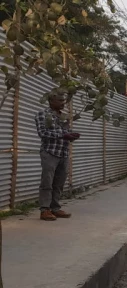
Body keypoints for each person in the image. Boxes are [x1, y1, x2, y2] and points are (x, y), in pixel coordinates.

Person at [35, 92, 80, 221]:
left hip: (63, 153)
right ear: (51, 101)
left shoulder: (64, 117)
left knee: (59, 183)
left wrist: (72, 135)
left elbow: (65, 133)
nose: (63, 103)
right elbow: (43, 133)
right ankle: (44, 210)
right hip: (50, 152)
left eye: (63, 100)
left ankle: (55, 208)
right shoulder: (42, 114)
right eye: (60, 100)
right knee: (47, 182)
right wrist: (63, 135)